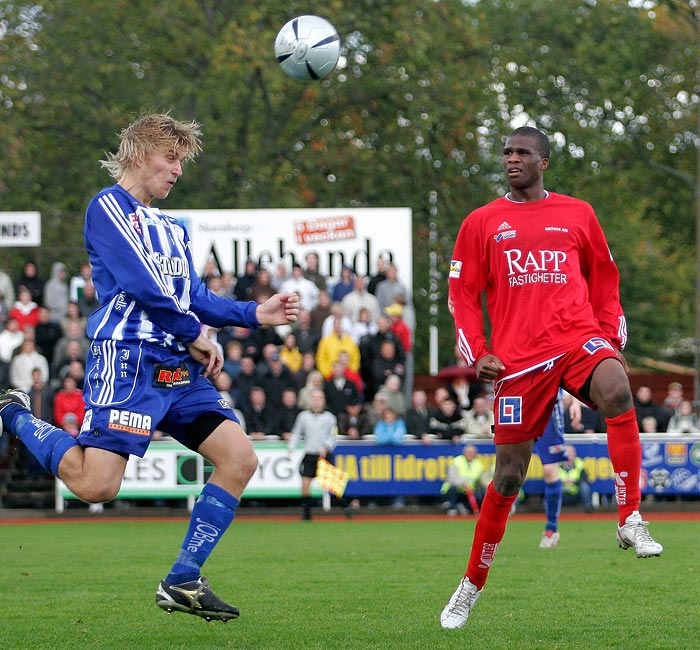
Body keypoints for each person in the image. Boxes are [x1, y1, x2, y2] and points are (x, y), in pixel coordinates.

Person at [0, 113, 300, 623]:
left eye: (181, 161)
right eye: (171, 158)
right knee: (97, 487)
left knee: (240, 459)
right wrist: (194, 334)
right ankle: (14, 413)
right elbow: (143, 287)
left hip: (178, 371)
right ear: (140, 153)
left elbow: (192, 295)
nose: (177, 171)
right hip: (130, 362)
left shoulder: (172, 227)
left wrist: (254, 314)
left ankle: (183, 579)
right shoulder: (107, 208)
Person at [440, 126, 662, 630]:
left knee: (617, 389)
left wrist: (608, 334)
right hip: (518, 361)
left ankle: (630, 519)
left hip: (575, 339)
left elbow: (605, 275)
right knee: (510, 476)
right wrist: (479, 351)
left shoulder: (578, 213)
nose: (511, 160)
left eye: (522, 153)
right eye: (507, 153)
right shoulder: (481, 223)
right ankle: (470, 585)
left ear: (543, 162)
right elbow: (462, 295)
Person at [287, 388, 337, 520]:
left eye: (319, 398)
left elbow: (333, 435)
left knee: (333, 484)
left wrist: (326, 446)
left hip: (324, 455)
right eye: (314, 398)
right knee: (305, 484)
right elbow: (297, 432)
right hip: (309, 453)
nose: (316, 401)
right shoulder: (303, 416)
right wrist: (291, 447)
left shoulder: (329, 417)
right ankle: (306, 514)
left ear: (323, 400)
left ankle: (345, 508)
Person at [441, 445, 485, 516]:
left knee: (479, 495)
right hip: (456, 488)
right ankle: (452, 508)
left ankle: (464, 507)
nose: (470, 454)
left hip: (469, 491)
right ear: (464, 453)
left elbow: (481, 480)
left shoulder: (479, 465)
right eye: (469, 452)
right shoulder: (456, 461)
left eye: (472, 452)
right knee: (453, 490)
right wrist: (463, 483)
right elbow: (451, 478)